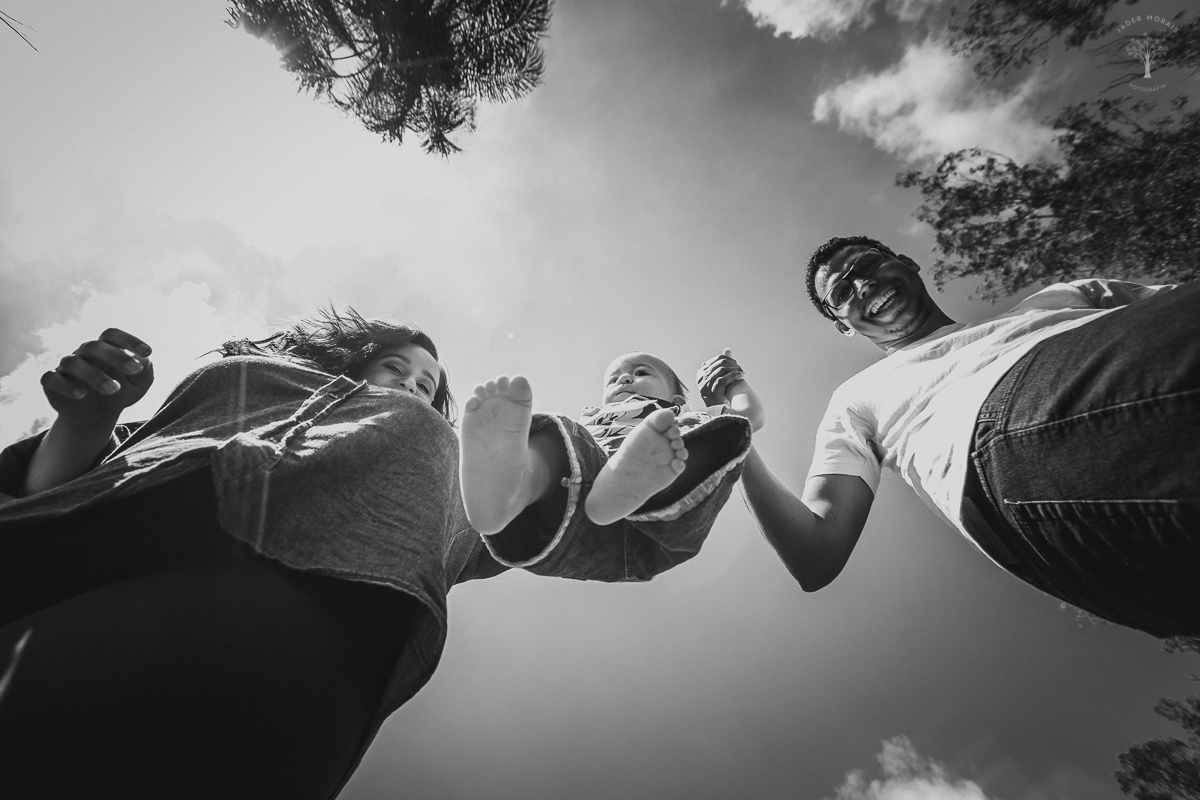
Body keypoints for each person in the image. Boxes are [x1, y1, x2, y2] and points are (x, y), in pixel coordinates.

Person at [0, 310, 751, 799]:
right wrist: (90, 414)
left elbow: (599, 539)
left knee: (501, 481)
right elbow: (56, 482)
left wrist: (714, 430)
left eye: (429, 386)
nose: (415, 389)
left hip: (318, 623)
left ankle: (562, 471)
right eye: (399, 369)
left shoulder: (439, 463)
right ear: (355, 354)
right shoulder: (243, 379)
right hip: (99, 545)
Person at [701, 236, 1199, 638]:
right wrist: (730, 430)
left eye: (866, 265)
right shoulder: (857, 399)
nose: (860, 285)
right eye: (841, 294)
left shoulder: (1063, 299)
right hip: (1003, 441)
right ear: (843, 327)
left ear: (907, 263)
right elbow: (815, 553)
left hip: (1096, 359)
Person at [460, 350, 762, 531]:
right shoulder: (591, 421)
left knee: (694, 437)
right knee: (557, 434)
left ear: (676, 398)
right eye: (614, 379)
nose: (624, 380)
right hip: (579, 493)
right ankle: (511, 490)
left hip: (660, 504)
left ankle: (626, 481)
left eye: (641, 372)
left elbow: (748, 417)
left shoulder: (683, 413)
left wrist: (733, 382)